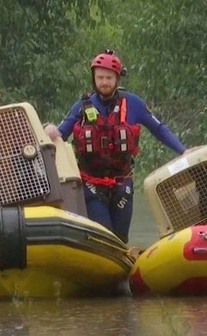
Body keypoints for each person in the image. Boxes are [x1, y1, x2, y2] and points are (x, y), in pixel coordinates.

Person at [44, 49, 186, 243]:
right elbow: (61, 132)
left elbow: (159, 129)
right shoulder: (82, 106)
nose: (104, 82)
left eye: (109, 78)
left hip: (122, 182)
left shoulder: (133, 103)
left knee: (120, 237)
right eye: (100, 77)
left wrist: (183, 150)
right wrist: (51, 130)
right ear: (94, 79)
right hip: (91, 183)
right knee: (105, 236)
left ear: (117, 79)